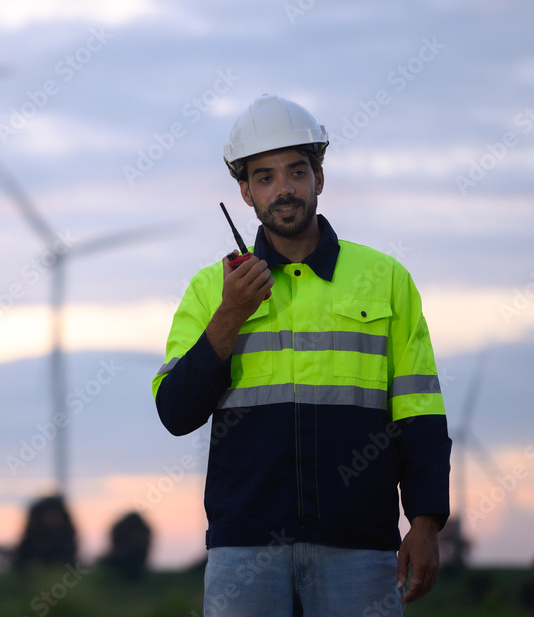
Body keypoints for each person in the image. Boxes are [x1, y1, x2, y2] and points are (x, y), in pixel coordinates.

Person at [152, 95, 451, 616]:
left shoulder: (386, 280)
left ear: (319, 176)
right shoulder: (210, 289)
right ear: (244, 192)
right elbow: (176, 413)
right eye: (264, 177)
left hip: (359, 547)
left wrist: (425, 522)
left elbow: (419, 413)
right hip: (244, 549)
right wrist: (230, 314)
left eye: (297, 171)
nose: (283, 189)